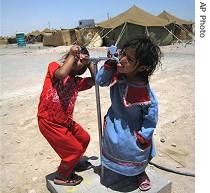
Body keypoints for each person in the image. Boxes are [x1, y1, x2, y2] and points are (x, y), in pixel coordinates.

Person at [95, 36, 162, 191]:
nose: (122, 59)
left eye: (129, 58)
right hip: (114, 122)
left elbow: (151, 116)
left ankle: (140, 172)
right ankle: (117, 168)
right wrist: (109, 65)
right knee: (114, 148)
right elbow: (100, 81)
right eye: (122, 53)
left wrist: (144, 136)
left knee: (136, 153)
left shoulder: (144, 91)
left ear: (142, 67)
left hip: (134, 129)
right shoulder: (117, 74)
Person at [37, 45, 95, 186]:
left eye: (81, 59)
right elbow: (62, 74)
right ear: (68, 57)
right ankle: (62, 176)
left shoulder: (77, 82)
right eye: (76, 55)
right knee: (74, 150)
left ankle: (73, 163)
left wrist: (90, 64)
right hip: (49, 121)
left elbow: (96, 81)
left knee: (84, 139)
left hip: (65, 121)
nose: (78, 58)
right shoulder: (54, 67)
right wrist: (72, 54)